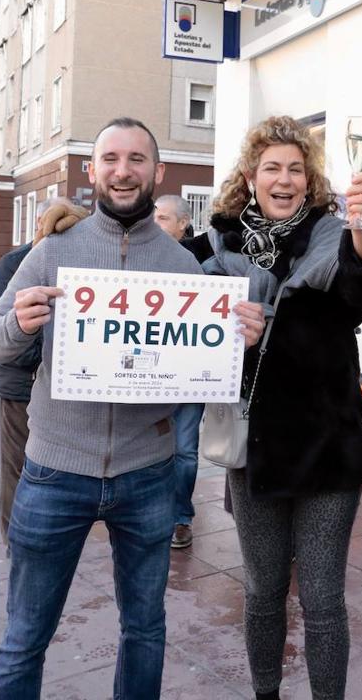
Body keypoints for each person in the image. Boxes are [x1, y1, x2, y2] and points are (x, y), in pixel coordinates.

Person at [0, 117, 266, 700]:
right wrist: (17, 322)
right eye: (111, 158)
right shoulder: (53, 250)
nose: (123, 170)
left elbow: (203, 378)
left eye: (137, 159)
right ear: (93, 171)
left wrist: (239, 341)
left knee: (146, 630)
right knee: (25, 636)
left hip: (148, 475)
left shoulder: (186, 269)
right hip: (56, 471)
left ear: (157, 173)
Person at [202, 115, 362, 700]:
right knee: (263, 589)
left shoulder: (334, 234)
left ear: (310, 179)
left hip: (327, 445)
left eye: (296, 168)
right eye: (272, 168)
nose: (284, 179)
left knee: (321, 596)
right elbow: (165, 290)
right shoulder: (219, 241)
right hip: (255, 446)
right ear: (251, 175)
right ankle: (266, 693)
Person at [0, 197, 87, 545]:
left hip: (66, 388)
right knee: (18, 470)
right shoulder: (15, 263)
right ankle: (15, 542)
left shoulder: (81, 263)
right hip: (21, 387)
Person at [152, 193, 207, 550]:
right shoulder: (136, 256)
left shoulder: (204, 262)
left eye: (162, 219)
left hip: (188, 374)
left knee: (184, 449)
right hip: (148, 371)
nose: (154, 224)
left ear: (183, 223)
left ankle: (179, 518)